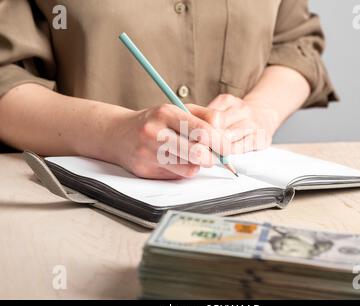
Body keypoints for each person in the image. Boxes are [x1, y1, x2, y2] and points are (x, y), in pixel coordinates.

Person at [0, 0, 337, 179]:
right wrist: (111, 133)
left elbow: (295, 44)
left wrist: (261, 111)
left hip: (246, 206)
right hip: (78, 214)